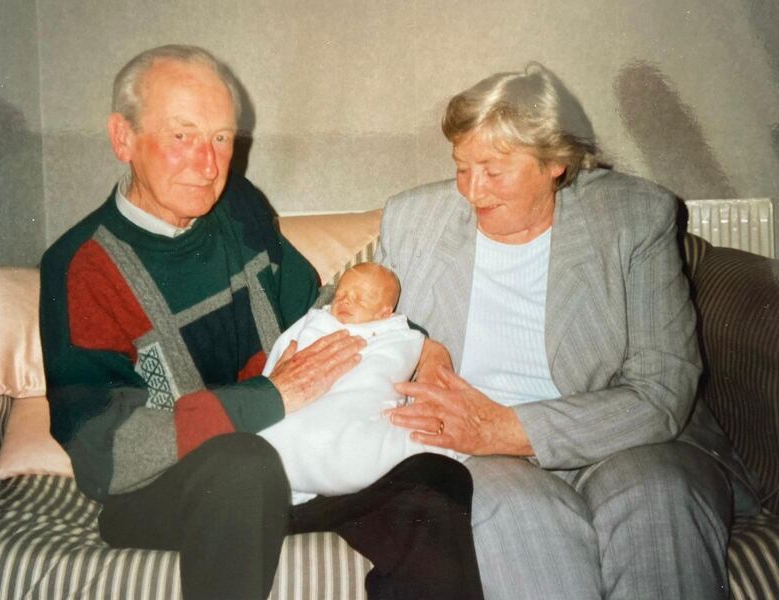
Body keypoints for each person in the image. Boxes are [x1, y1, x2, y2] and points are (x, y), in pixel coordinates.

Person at [39, 44, 483, 600]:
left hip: (287, 464)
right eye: (183, 136)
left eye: (222, 138)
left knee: (434, 478)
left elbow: (323, 306)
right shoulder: (82, 267)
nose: (209, 165)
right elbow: (104, 453)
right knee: (242, 464)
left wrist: (416, 343)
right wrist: (268, 397)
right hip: (165, 490)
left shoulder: (239, 208)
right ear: (122, 138)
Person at [377, 63, 761, 600]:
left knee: (659, 500)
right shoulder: (412, 220)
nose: (471, 191)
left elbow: (662, 390)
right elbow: (353, 326)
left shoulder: (633, 216)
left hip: (628, 442)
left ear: (556, 161)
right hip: (479, 457)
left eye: (493, 169)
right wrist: (416, 345)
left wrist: (510, 428)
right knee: (522, 517)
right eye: (462, 167)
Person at [260, 262, 461, 504]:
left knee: (383, 448)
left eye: (361, 298)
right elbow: (280, 357)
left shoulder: (400, 337)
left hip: (355, 425)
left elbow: (397, 368)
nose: (345, 301)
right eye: (341, 294)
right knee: (269, 438)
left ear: (385, 313)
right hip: (299, 414)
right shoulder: (315, 321)